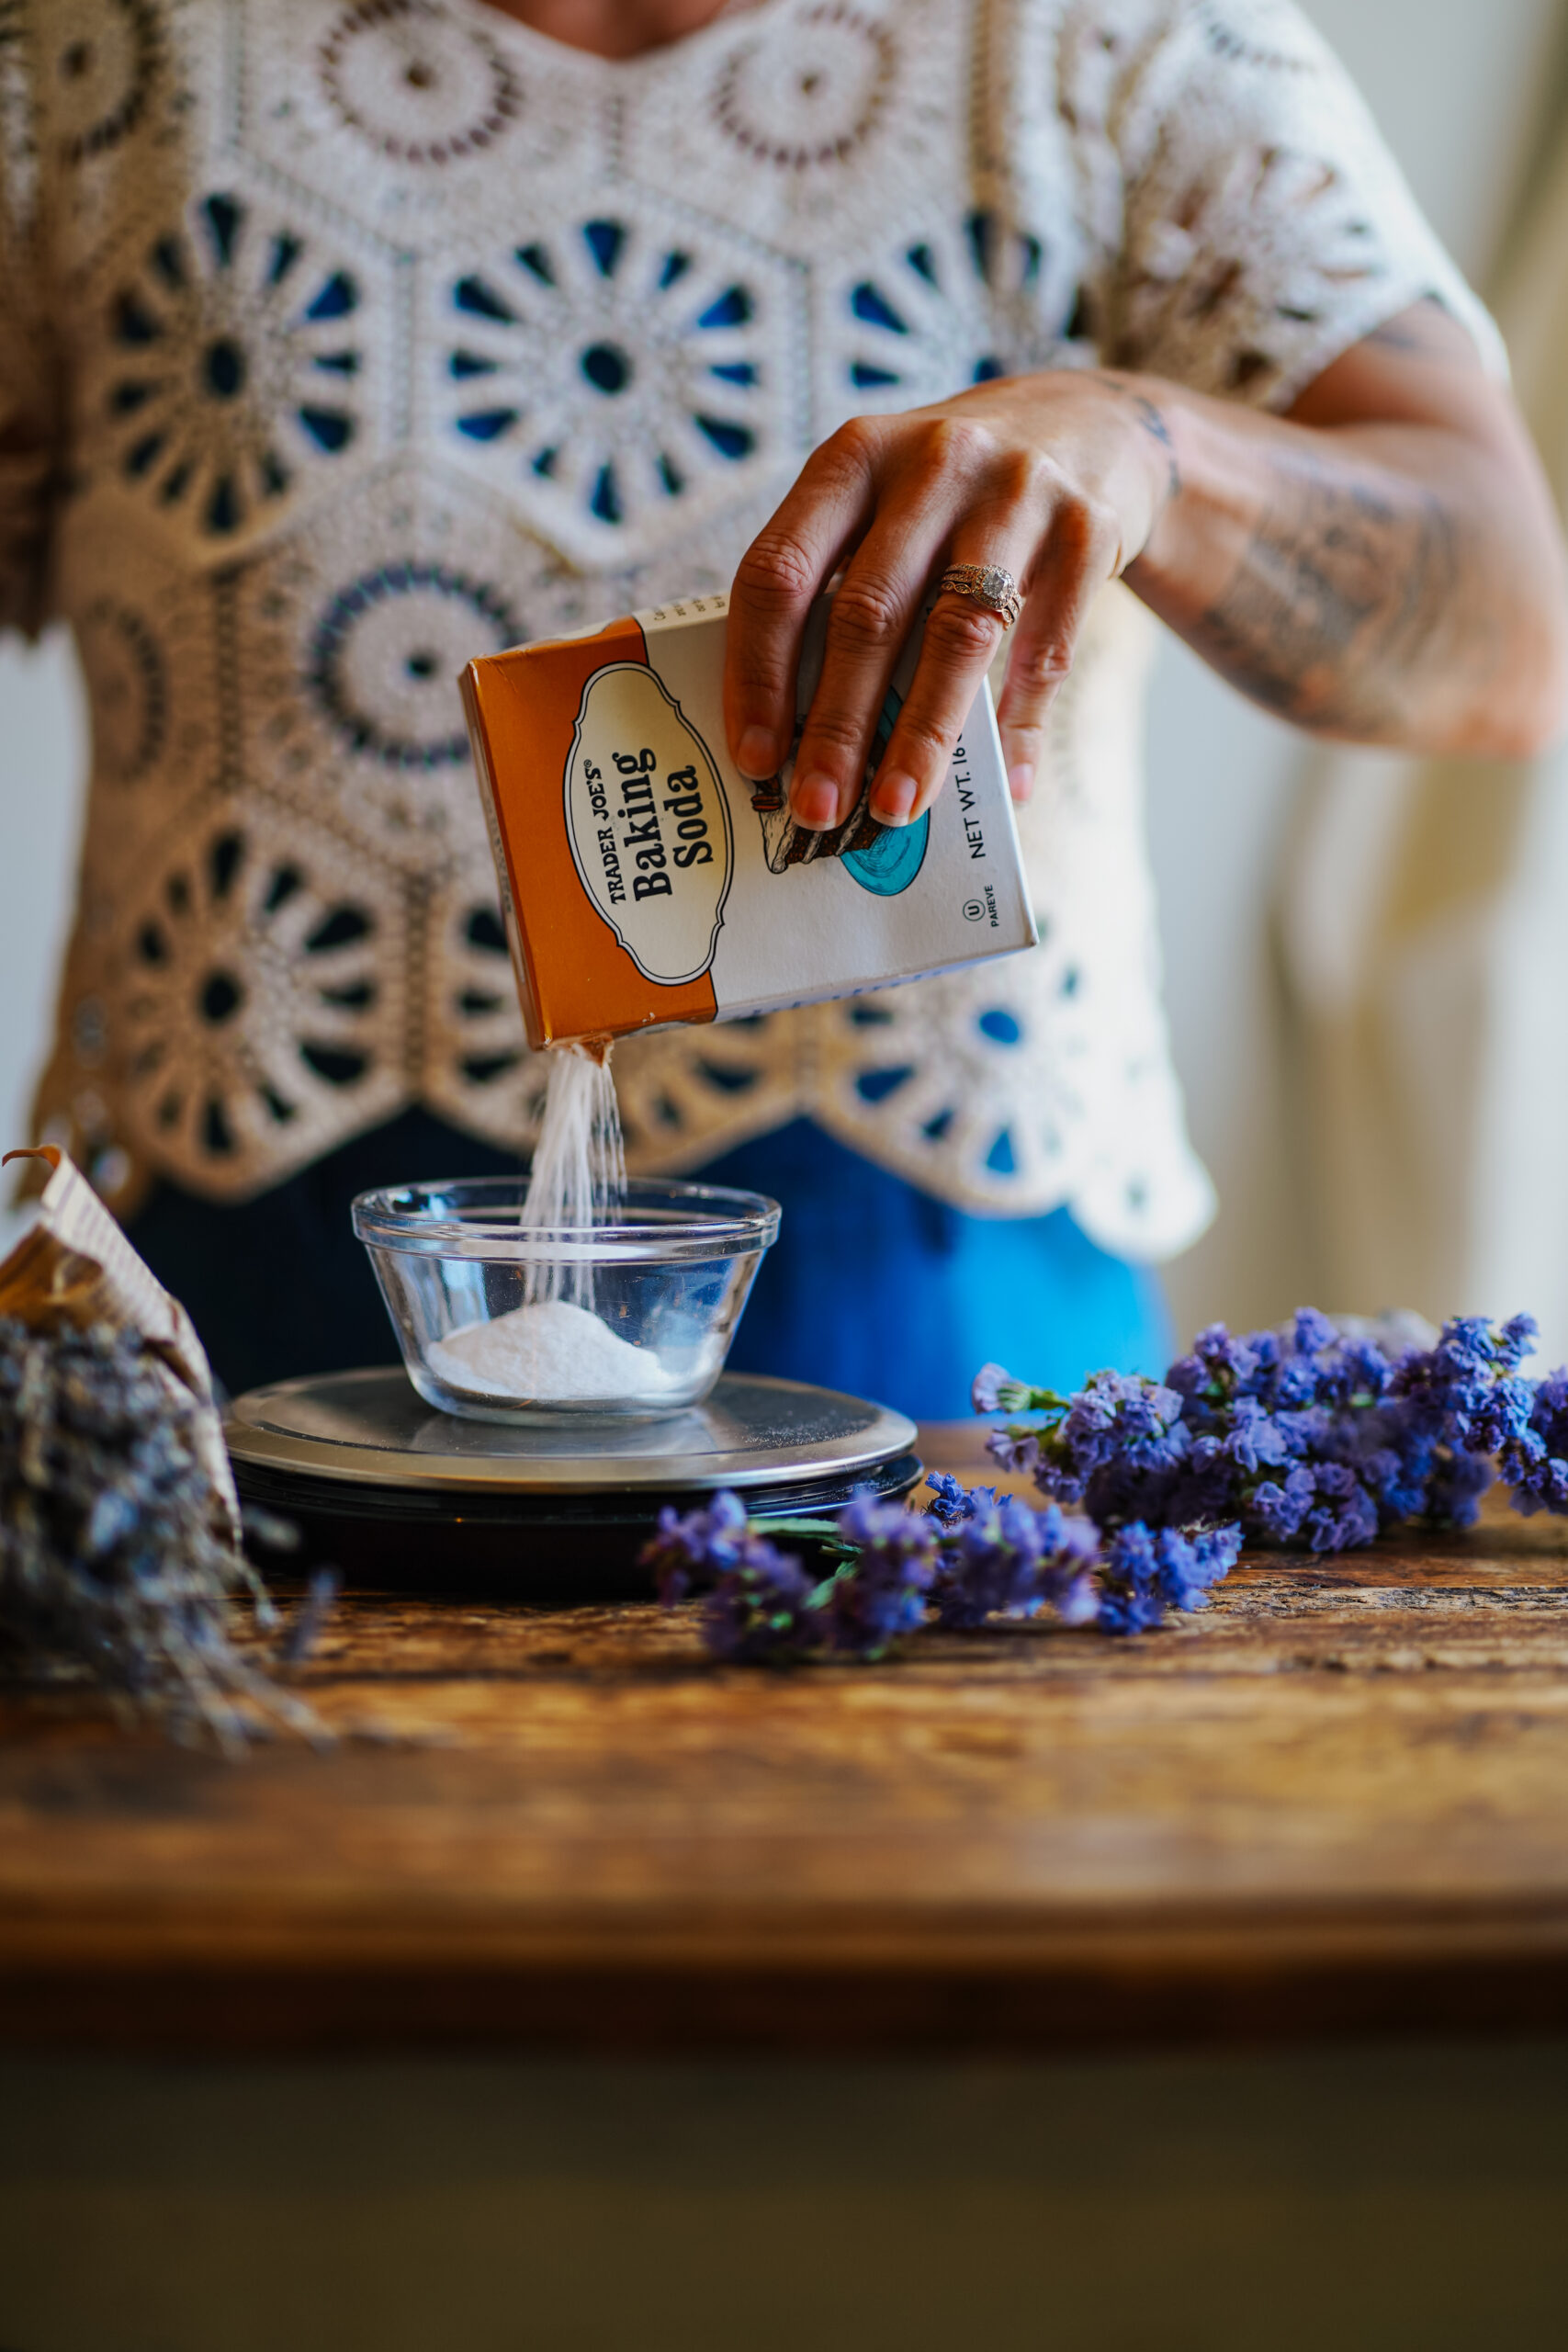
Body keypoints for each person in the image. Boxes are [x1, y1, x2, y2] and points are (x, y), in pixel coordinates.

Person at [2, 0, 1563, 1413]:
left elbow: (1512, 641)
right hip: (226, 1344)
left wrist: (1147, 451)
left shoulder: (1108, 45)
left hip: (941, 1310)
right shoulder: (95, 61)